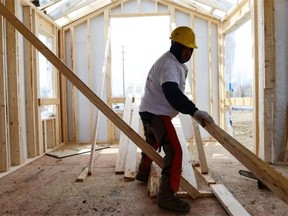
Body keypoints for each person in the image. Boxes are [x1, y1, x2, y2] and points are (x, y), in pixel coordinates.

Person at [135, 26, 214, 212]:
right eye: (183, 47)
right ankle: (166, 197)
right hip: (156, 113)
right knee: (176, 152)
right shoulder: (170, 64)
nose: (187, 52)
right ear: (174, 45)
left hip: (148, 110)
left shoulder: (173, 63)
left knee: (152, 143)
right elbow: (171, 92)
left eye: (190, 49)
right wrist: (194, 111)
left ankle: (142, 173)